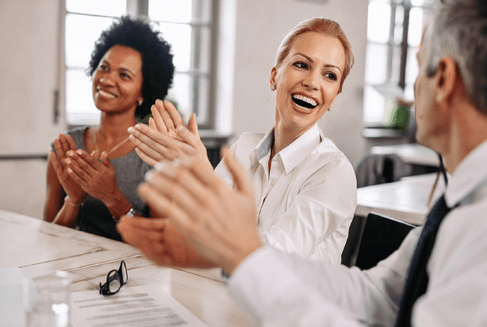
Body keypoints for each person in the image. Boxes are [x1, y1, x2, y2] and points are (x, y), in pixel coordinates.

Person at [118, 0, 487, 325]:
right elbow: (378, 297)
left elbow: (267, 249)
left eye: (417, 68)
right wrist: (231, 256)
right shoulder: (460, 202)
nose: (409, 93)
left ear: (442, 79)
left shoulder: (479, 221)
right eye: (302, 65)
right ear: (275, 75)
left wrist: (239, 254)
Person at [127, 17, 357, 263]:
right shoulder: (244, 149)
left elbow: (271, 262)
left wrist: (204, 176)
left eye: (330, 75)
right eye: (301, 64)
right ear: (274, 76)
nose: (312, 82)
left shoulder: (334, 173)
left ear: (334, 97)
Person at [43, 16, 175, 241]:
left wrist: (113, 197)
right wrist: (73, 201)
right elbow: (48, 237)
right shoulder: (68, 146)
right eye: (104, 68)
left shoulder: (155, 153)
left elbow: (161, 242)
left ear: (144, 90)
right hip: (76, 269)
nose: (106, 79)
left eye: (124, 75)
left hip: (135, 274)